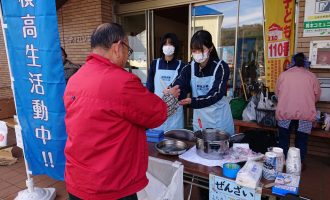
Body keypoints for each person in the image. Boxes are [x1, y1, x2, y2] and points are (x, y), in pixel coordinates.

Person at [63, 23, 180, 200]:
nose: (126, 57)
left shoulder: (75, 79)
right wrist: (171, 98)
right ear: (118, 47)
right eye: (128, 50)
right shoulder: (122, 81)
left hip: (77, 179)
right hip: (111, 185)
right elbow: (156, 114)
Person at [171, 30, 235, 135]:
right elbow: (180, 83)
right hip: (200, 122)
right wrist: (173, 91)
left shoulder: (221, 67)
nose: (197, 54)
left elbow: (216, 93)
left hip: (219, 122)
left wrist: (193, 101)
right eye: (194, 51)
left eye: (201, 50)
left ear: (210, 48)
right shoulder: (189, 68)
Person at [276, 52, 321, 164]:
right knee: (302, 140)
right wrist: (308, 103)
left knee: (283, 139)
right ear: (305, 62)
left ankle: (282, 163)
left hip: (285, 112)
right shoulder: (312, 76)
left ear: (293, 62)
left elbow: (277, 94)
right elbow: (317, 96)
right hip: (306, 114)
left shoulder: (284, 75)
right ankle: (298, 164)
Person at [146, 33, 186, 131]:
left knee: (175, 141)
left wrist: (172, 97)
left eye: (171, 44)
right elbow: (149, 88)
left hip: (175, 113)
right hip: (158, 110)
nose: (168, 47)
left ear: (175, 46)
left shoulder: (182, 65)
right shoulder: (155, 63)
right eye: (165, 44)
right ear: (161, 47)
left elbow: (184, 90)